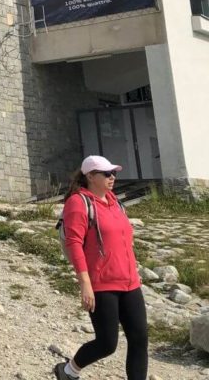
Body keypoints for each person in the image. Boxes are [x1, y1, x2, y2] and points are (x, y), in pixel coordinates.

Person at [54, 155, 146, 380]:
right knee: (107, 343)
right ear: (90, 176)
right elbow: (74, 243)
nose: (112, 177)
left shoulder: (115, 202)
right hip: (101, 283)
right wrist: (85, 283)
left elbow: (125, 241)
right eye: (106, 173)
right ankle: (68, 371)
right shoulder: (78, 202)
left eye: (113, 173)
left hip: (129, 282)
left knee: (139, 339)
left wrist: (134, 270)